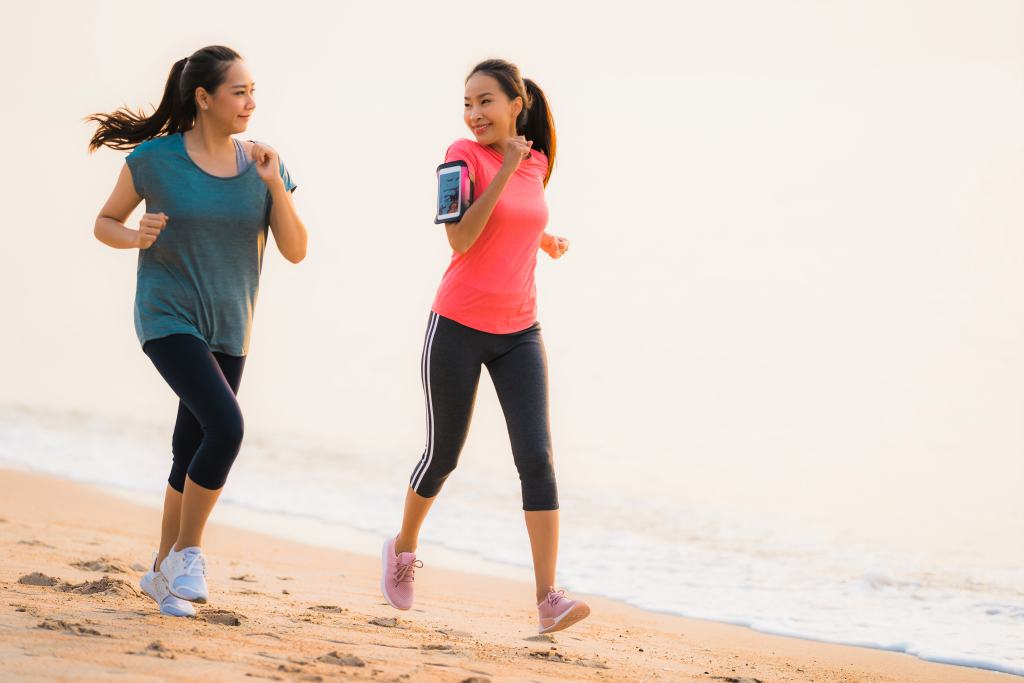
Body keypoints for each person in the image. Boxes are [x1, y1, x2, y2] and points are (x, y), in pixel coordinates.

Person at [87, 45, 307, 616]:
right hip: (167, 316)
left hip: (231, 324)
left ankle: (162, 570)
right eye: (239, 92)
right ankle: (189, 554)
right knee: (227, 426)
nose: (250, 102)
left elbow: (296, 250)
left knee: (191, 445)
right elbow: (104, 223)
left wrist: (276, 186)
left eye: (253, 90)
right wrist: (135, 235)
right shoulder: (155, 160)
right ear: (204, 98)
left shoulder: (263, 164)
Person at [380, 58, 589, 635]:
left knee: (538, 459)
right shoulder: (460, 156)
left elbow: (517, 217)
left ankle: (549, 597)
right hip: (458, 325)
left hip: (521, 331)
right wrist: (504, 169)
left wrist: (543, 238)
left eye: (486, 102)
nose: (474, 114)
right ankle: (402, 548)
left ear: (516, 103)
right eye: (468, 104)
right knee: (443, 454)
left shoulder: (536, 162)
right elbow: (462, 235)